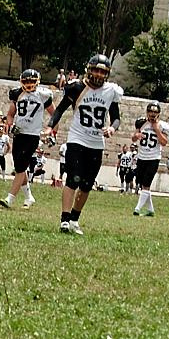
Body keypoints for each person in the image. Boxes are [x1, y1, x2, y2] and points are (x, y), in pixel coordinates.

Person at [47, 53, 122, 235]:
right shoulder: (77, 87)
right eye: (95, 69)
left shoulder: (111, 91)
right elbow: (59, 110)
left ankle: (74, 219)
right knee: (72, 178)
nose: (98, 74)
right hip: (77, 138)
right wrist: (50, 127)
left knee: (87, 185)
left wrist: (112, 128)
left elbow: (116, 118)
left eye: (102, 71)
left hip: (96, 142)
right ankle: (64, 219)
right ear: (89, 70)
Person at [0, 68, 54, 209]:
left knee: (22, 165)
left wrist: (50, 130)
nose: (29, 84)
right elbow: (11, 114)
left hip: (33, 135)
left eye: (31, 81)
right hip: (19, 133)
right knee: (19, 167)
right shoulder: (17, 93)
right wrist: (9, 123)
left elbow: (55, 114)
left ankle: (10, 198)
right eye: (26, 81)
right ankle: (29, 197)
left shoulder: (43, 94)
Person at [131, 101, 169, 216]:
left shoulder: (163, 125)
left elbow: (164, 142)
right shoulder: (141, 122)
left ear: (159, 113)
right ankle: (150, 210)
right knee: (143, 184)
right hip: (141, 156)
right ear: (147, 112)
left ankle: (137, 208)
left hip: (153, 157)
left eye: (155, 112)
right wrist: (136, 136)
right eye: (151, 111)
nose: (153, 114)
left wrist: (156, 129)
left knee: (146, 183)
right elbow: (133, 138)